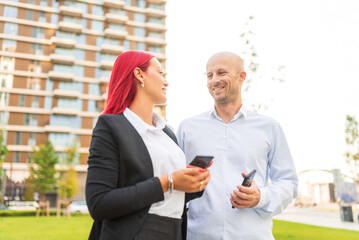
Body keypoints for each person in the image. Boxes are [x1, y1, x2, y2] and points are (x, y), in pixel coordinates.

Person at [85, 51, 211, 240]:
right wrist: (167, 182)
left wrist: (192, 183)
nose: (166, 82)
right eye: (160, 73)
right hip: (136, 233)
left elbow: (171, 196)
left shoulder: (167, 132)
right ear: (139, 74)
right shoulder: (110, 126)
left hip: (174, 231)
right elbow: (99, 203)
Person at [177, 51, 298, 240]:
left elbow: (288, 182)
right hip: (198, 235)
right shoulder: (187, 128)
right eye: (209, 75)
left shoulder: (269, 127)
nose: (214, 80)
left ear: (241, 77)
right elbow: (175, 181)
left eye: (221, 73)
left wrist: (261, 197)